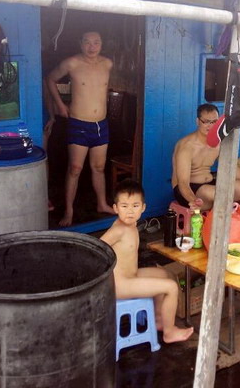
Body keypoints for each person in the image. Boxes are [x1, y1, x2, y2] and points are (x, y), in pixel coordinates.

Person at [100, 180, 194, 343]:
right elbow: (97, 248)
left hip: (131, 276)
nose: (130, 211)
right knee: (171, 287)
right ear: (115, 208)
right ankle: (169, 332)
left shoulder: (131, 225)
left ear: (143, 207)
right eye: (124, 206)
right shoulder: (118, 230)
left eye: (135, 206)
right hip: (120, 285)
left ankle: (159, 319)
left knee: (165, 274)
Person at [45, 31, 115, 226]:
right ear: (80, 43)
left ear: (101, 44)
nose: (92, 47)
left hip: (101, 124)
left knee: (99, 167)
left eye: (96, 42)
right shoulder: (72, 63)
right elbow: (50, 79)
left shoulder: (107, 64)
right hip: (79, 123)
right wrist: (60, 105)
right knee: (75, 168)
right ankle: (69, 211)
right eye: (87, 42)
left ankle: (102, 204)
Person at [171, 103, 240, 221]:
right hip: (188, 190)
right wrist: (193, 201)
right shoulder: (186, 146)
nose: (210, 126)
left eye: (214, 122)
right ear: (197, 121)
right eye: (206, 121)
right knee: (219, 193)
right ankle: (227, 228)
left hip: (210, 185)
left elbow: (230, 167)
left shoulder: (217, 142)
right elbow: (183, 183)